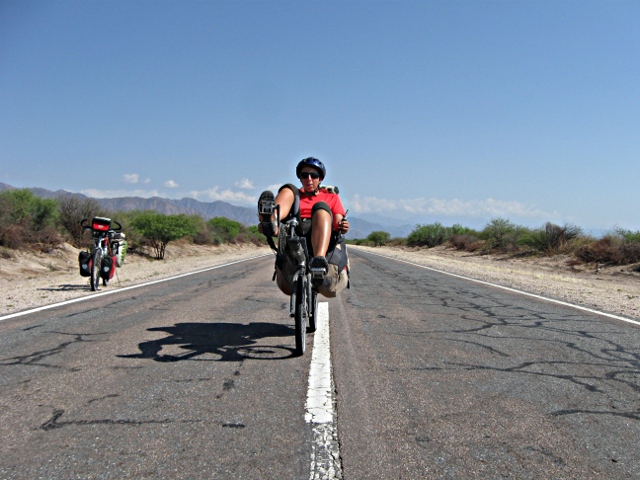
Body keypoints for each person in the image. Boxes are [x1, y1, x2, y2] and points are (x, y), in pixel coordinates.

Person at [258, 157, 350, 296]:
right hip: (296, 230)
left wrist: (342, 225)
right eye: (304, 175)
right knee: (289, 189)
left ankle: (319, 261)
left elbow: (337, 219)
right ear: (300, 178)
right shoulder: (295, 194)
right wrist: (269, 227)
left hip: (322, 232)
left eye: (314, 175)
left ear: (320, 179)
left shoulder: (331, 197)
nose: (309, 179)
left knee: (321, 208)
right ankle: (272, 221)